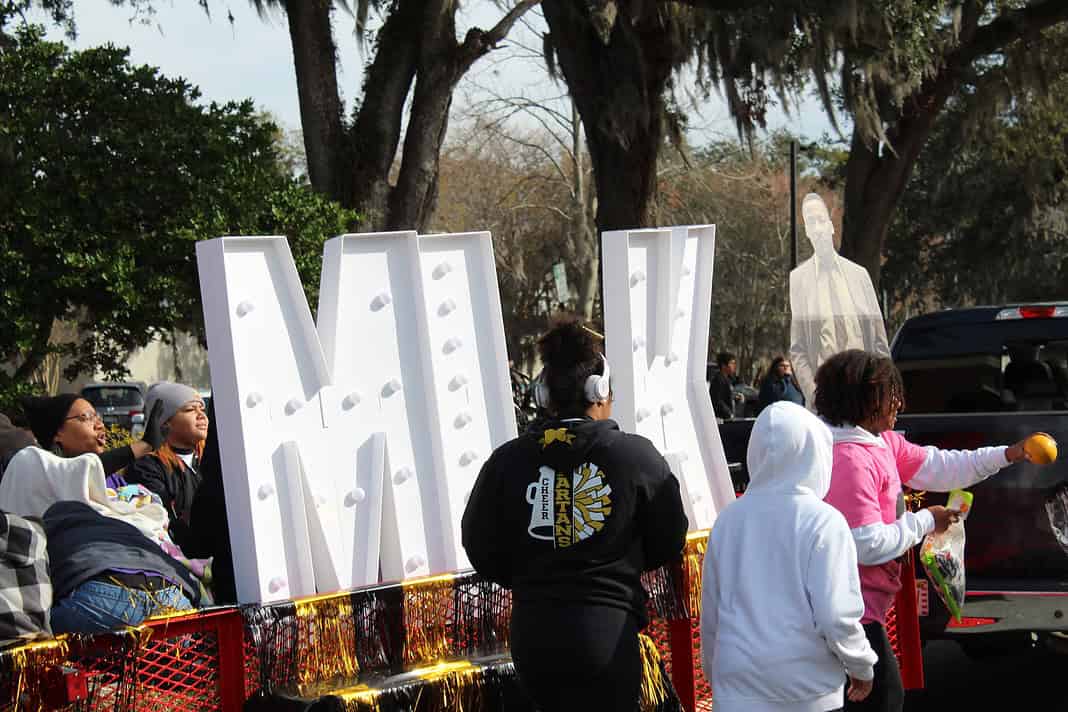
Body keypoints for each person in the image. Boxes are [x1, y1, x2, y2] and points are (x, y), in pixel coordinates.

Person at [462, 316, 688, 712]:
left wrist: (532, 571)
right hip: (606, 631)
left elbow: (478, 543)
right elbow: (670, 537)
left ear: (545, 395)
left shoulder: (506, 461)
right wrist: (622, 560)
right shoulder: (635, 456)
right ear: (599, 392)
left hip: (534, 636)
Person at [816, 349, 1035, 712]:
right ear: (864, 397)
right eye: (890, 393)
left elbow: (941, 466)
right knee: (884, 699)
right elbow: (865, 544)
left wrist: (1008, 455)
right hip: (846, 613)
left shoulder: (881, 442)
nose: (900, 402)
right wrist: (925, 521)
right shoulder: (850, 460)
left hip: (862, 610)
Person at [702, 401, 876, 711]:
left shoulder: (728, 520)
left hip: (737, 688)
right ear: (815, 452)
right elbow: (836, 615)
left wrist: (717, 676)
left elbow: (712, 614)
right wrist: (860, 665)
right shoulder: (824, 521)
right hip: (807, 690)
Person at [789, 194, 890, 406]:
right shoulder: (799, 279)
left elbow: (880, 342)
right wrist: (814, 394)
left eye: (821, 220)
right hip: (825, 398)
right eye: (811, 223)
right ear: (807, 232)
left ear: (831, 226)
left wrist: (881, 392)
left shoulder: (858, 275)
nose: (817, 228)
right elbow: (798, 349)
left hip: (863, 394)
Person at [125, 383, 208, 551]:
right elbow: (166, 525)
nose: (201, 415)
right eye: (190, 409)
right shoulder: (146, 468)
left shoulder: (213, 459)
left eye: (202, 409)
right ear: (165, 422)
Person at [20, 393, 162, 487]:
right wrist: (143, 445)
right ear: (58, 433)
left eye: (97, 417)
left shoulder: (111, 478)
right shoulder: (41, 470)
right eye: (87, 417)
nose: (99, 425)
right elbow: (77, 473)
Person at [710, 351, 743, 420]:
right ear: (723, 365)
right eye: (732, 363)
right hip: (721, 420)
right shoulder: (718, 379)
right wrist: (729, 413)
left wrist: (735, 398)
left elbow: (726, 397)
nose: (734, 366)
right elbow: (717, 400)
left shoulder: (727, 378)